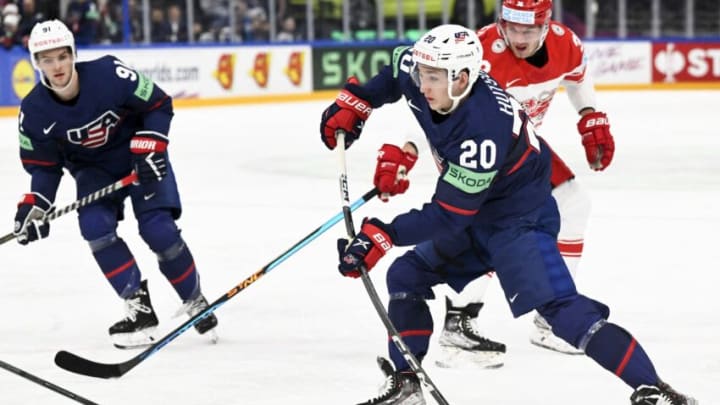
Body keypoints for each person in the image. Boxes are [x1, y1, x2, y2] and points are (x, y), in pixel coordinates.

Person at [319, 24, 696, 405]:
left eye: (432, 78)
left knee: (562, 314)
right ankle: (407, 384)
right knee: (406, 275)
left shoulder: (483, 129)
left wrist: (383, 233)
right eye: (422, 74)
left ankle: (657, 390)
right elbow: (396, 71)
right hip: (479, 213)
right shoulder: (426, 74)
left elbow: (449, 215)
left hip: (520, 221)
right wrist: (358, 100)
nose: (423, 85)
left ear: (462, 78)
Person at [13, 19, 218, 349]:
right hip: (93, 171)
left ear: (73, 54)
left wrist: (152, 143)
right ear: (37, 63)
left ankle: (195, 300)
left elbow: (158, 104)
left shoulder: (110, 74)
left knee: (159, 230)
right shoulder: (33, 111)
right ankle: (139, 308)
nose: (57, 66)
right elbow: (45, 168)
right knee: (94, 226)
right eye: (47, 59)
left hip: (140, 158)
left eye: (62, 57)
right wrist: (36, 203)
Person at [437, 0, 617, 363]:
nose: (518, 38)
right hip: (475, 151)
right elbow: (430, 100)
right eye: (512, 28)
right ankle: (459, 322)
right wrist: (404, 149)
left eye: (528, 30)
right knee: (495, 227)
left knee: (573, 201)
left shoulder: (567, 44)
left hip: (521, 146)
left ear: (546, 25)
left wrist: (590, 115)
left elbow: (579, 79)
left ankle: (555, 317)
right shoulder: (476, 52)